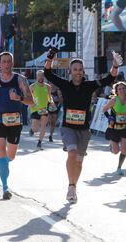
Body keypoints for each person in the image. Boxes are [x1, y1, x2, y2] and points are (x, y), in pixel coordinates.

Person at [44, 48, 120, 203]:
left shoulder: (90, 85)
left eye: (80, 69)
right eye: (75, 70)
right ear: (70, 71)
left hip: (84, 130)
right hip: (68, 127)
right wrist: (50, 57)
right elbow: (48, 74)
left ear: (83, 71)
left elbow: (109, 79)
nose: (78, 72)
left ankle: (73, 185)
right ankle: (71, 186)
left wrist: (116, 65)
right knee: (71, 154)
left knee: (79, 161)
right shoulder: (64, 84)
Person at [0, 52, 34, 200]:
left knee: (10, 156)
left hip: (15, 120)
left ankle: (4, 165)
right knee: (0, 151)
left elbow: (31, 101)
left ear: (12, 63)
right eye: (3, 62)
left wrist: (19, 98)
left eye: (8, 61)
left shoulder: (21, 80)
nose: (6, 64)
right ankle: (5, 187)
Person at [103, 82, 126, 175]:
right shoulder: (114, 100)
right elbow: (104, 109)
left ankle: (119, 168)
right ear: (116, 91)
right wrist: (110, 117)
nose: (122, 90)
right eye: (119, 89)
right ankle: (111, 145)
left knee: (124, 149)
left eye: (123, 88)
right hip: (114, 128)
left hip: (124, 128)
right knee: (116, 151)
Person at [29, 70, 53, 149]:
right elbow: (28, 97)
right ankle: (32, 130)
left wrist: (52, 102)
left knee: (43, 126)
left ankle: (39, 142)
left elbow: (50, 97)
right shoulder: (32, 86)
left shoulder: (48, 87)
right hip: (35, 109)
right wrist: (30, 103)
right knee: (36, 129)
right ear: (37, 77)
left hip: (44, 109)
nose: (41, 77)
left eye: (42, 76)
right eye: (39, 76)